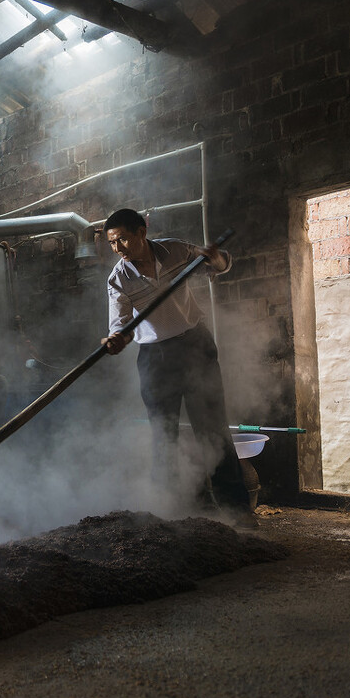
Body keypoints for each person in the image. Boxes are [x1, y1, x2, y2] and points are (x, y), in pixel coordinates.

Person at [100, 208, 256, 528]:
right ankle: (169, 513)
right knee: (163, 437)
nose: (118, 249)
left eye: (123, 240)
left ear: (142, 232)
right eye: (112, 244)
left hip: (195, 346)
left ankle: (236, 511)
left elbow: (221, 265)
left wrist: (214, 258)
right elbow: (121, 327)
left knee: (213, 429)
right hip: (156, 359)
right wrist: (116, 341)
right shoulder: (118, 279)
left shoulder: (175, 250)